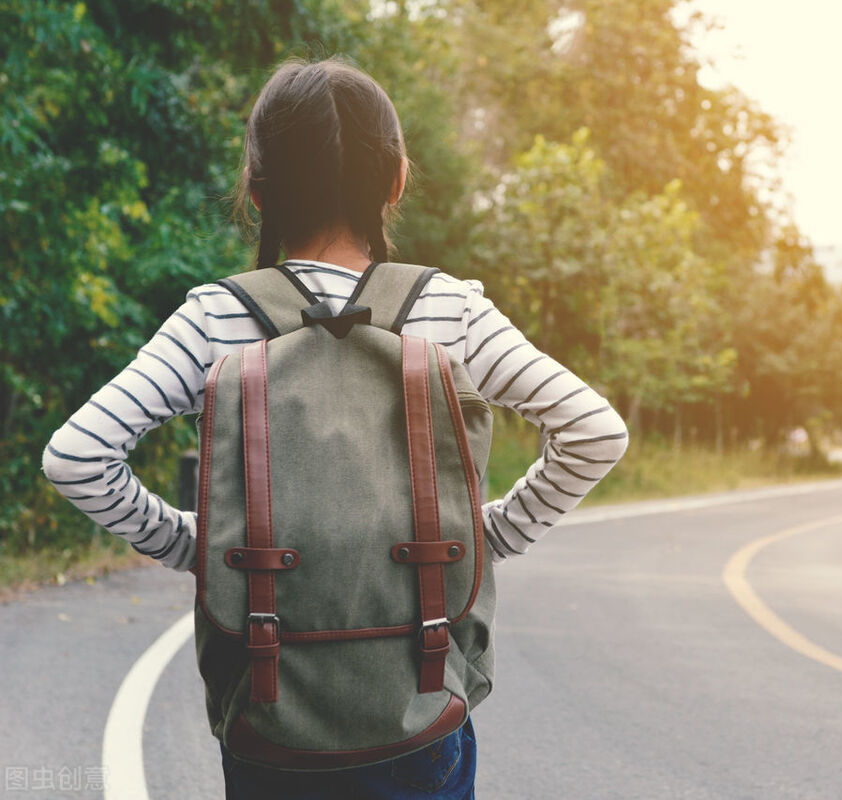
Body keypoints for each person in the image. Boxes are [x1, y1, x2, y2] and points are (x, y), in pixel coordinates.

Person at [41, 57, 629, 799]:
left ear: (258, 192)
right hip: (420, 706)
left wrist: (200, 547)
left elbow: (75, 459)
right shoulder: (453, 311)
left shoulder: (216, 317)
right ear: (397, 182)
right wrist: (491, 537)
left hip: (271, 716)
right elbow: (595, 433)